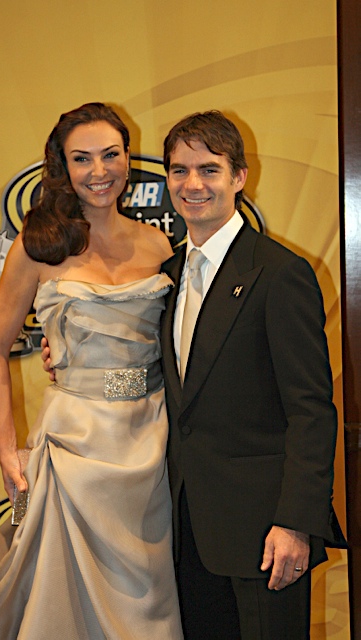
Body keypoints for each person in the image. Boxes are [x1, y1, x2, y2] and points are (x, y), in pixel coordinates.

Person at [0, 102, 184, 640]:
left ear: (127, 157)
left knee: (148, 605)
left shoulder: (158, 245)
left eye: (110, 155)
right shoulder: (38, 246)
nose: (99, 171)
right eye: (82, 158)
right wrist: (7, 451)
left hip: (152, 442)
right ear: (62, 166)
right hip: (72, 446)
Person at [159, 110, 346, 639]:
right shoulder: (166, 277)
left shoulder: (281, 273)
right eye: (179, 170)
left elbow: (311, 410)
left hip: (265, 537)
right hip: (184, 533)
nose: (193, 184)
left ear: (239, 177)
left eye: (209, 170)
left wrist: (296, 523)